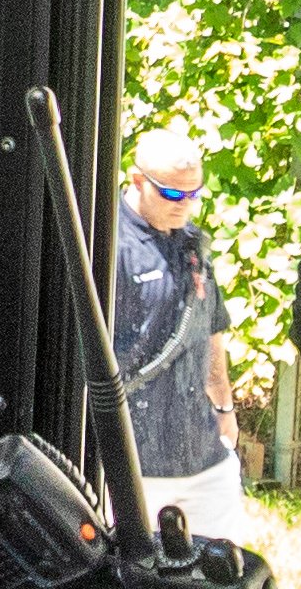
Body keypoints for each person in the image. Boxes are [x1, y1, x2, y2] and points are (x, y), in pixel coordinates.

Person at [102, 129, 247, 535]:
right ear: (137, 180)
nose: (184, 206)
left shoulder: (193, 245)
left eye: (194, 194)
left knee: (221, 571)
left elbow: (211, 332)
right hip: (134, 457)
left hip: (201, 452)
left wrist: (225, 410)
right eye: (171, 195)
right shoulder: (107, 244)